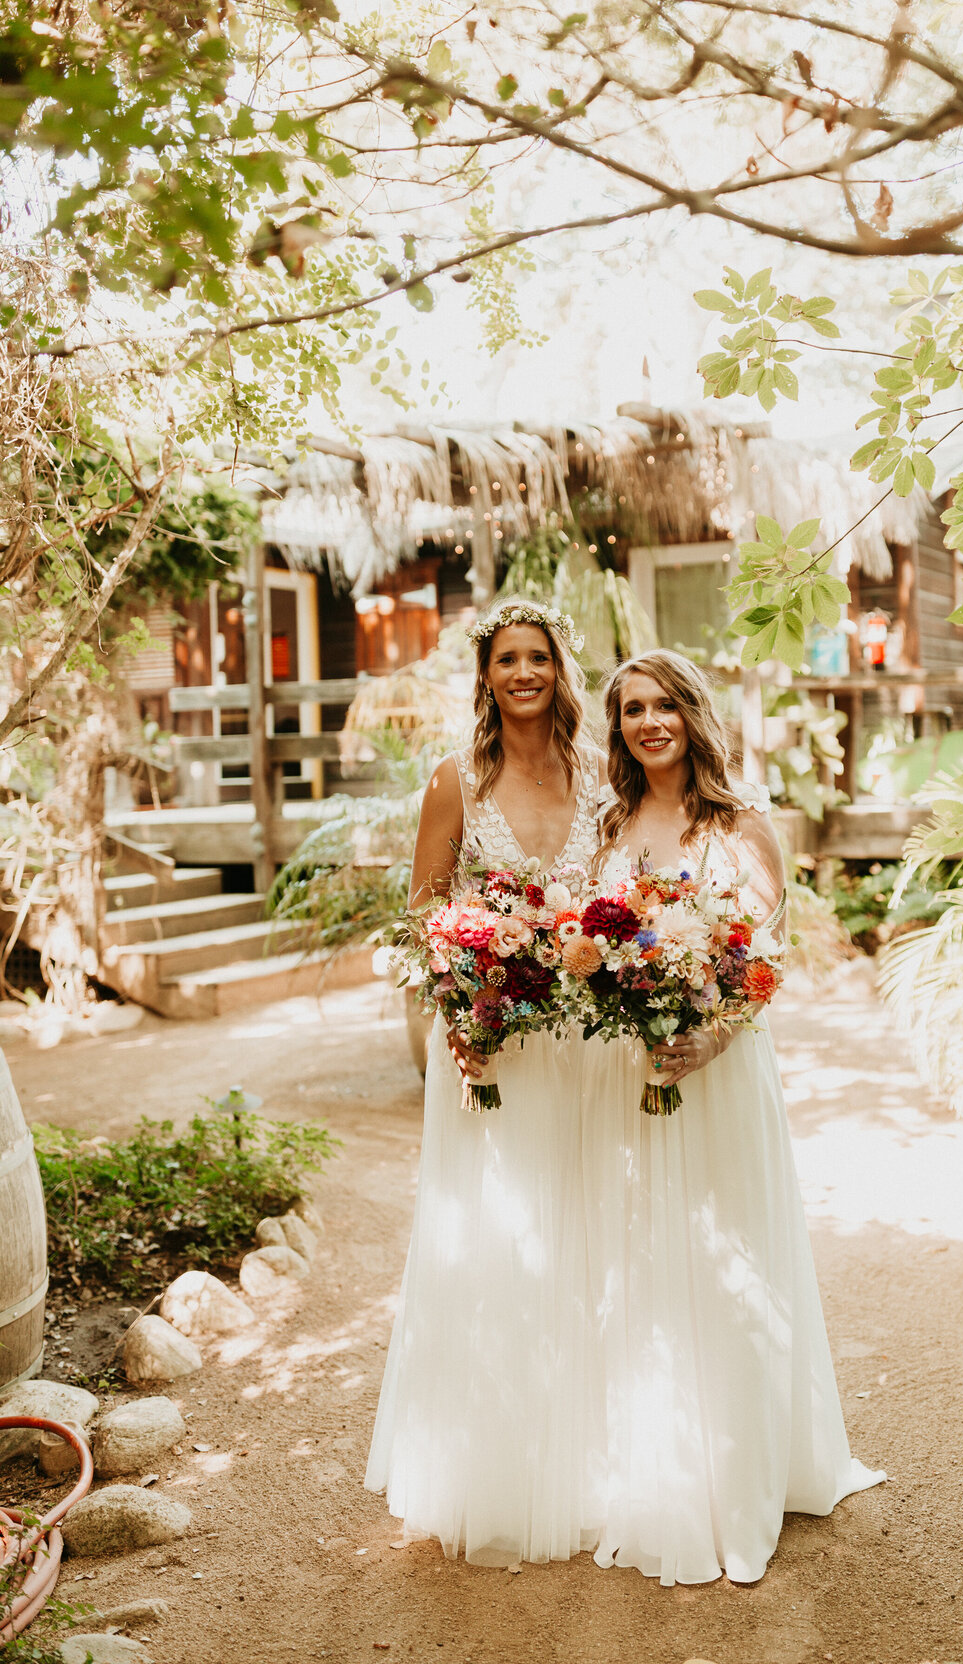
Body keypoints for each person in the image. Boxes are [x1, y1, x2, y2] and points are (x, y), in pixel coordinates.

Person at [584, 648, 884, 1586]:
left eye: (664, 704)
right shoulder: (610, 822)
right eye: (632, 709)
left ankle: (745, 1470)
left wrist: (706, 1039)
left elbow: (764, 962)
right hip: (631, 1069)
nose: (649, 722)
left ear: (693, 713)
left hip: (719, 1069)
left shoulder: (740, 824)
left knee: (732, 1265)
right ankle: (663, 1465)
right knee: (645, 1259)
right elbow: (592, 937)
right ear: (619, 726)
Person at [365, 598, 606, 1566]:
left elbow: (628, 891)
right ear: (485, 674)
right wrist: (458, 1015)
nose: (522, 673)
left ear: (558, 669)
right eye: (507, 659)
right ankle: (501, 1464)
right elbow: (425, 913)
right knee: (502, 1233)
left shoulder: (600, 777)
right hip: (492, 1039)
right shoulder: (454, 781)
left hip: (590, 1036)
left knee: (589, 1223)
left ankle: (593, 1457)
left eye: (537, 657)